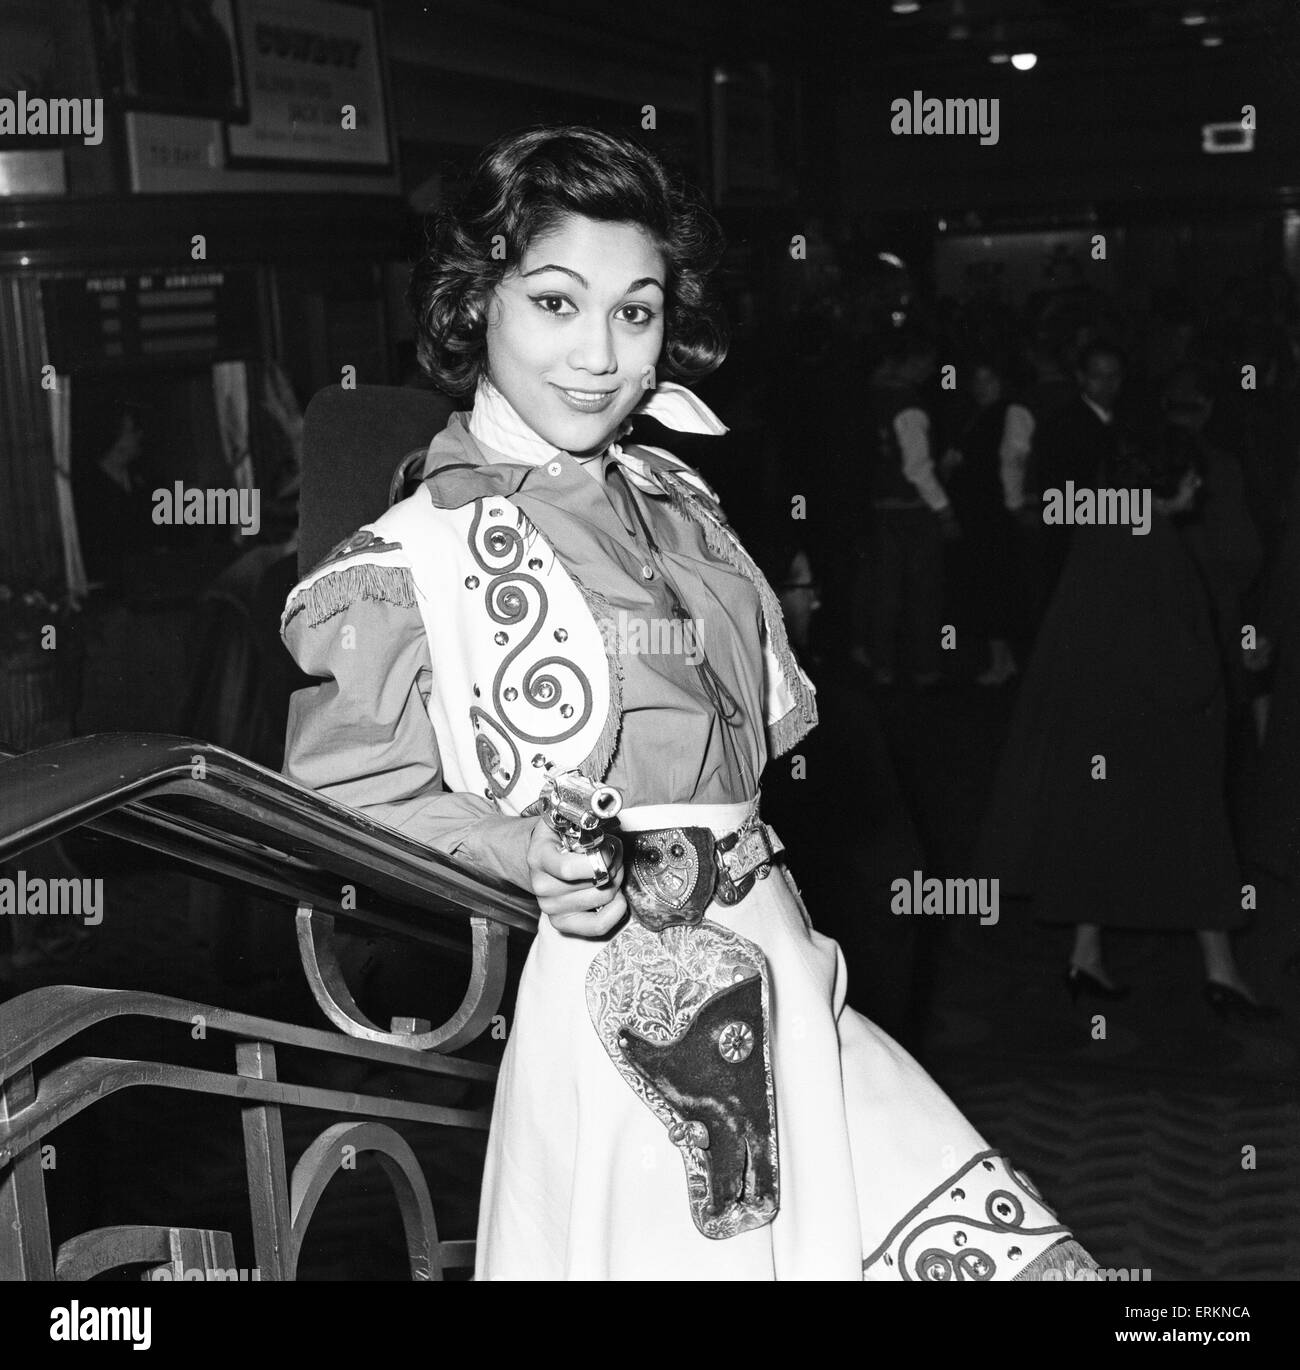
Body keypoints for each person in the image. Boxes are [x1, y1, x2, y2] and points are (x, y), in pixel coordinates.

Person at [280, 125, 1094, 1280]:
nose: (599, 355)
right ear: (478, 305)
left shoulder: (676, 494)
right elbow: (350, 806)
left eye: (635, 311)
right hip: (628, 1012)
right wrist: (522, 852)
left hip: (787, 959)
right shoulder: (404, 560)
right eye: (556, 303)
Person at [978, 416, 1277, 1021]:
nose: (1198, 483)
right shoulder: (1155, 542)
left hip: (1097, 722)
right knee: (1196, 844)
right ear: (1165, 476)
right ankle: (1219, 972)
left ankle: (1087, 957)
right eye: (1190, 473)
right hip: (1154, 729)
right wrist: (1231, 670)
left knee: (1100, 837)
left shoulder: (1108, 524)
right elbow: (1180, 661)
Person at [855, 334, 957, 688]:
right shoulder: (908, 404)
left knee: (885, 591)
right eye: (927, 364)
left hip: (881, 506)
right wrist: (944, 510)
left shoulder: (873, 396)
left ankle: (882, 664)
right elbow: (917, 467)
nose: (930, 372)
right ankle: (925, 668)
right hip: (913, 511)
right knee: (923, 593)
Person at [940, 358, 1035, 685]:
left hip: (994, 513)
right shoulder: (974, 413)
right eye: (977, 380)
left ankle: (1003, 661)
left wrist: (1013, 504)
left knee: (995, 585)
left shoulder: (1011, 413)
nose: (981, 387)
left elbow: (1014, 461)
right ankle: (1002, 660)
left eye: (988, 379)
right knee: (987, 584)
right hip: (979, 512)